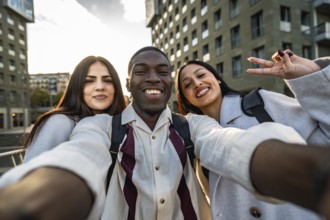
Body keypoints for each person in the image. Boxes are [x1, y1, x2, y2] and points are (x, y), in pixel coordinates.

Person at [0, 46, 329, 220]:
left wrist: (309, 174)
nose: (153, 77)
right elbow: (81, 156)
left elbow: (228, 145)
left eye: (163, 71)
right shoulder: (97, 127)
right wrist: (34, 199)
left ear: (171, 85)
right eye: (141, 72)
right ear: (128, 84)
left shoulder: (194, 126)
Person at [176, 49, 330, 220]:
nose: (197, 83)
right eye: (187, 84)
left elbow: (325, 136)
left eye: (201, 75)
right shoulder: (192, 136)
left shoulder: (260, 103)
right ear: (186, 99)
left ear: (217, 79)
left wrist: (312, 75)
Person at [23, 56, 126, 162]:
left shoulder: (123, 123)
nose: (100, 87)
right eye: (89, 81)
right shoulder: (60, 122)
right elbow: (32, 173)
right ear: (77, 86)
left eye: (108, 80)